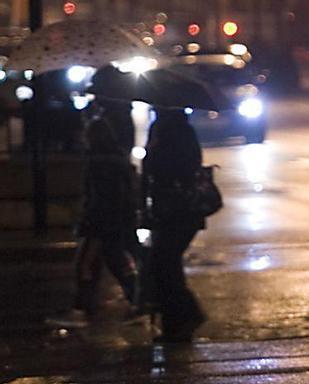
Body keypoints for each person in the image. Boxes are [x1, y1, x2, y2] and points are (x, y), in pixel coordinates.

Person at [45, 117, 139, 329]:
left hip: (100, 222)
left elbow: (99, 197)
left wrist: (89, 220)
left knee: (85, 264)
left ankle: (83, 308)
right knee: (114, 262)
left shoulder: (99, 162)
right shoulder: (116, 158)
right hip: (114, 221)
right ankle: (139, 301)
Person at [142, 110, 206, 343]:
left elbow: (174, 167)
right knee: (166, 264)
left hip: (178, 209)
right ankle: (176, 323)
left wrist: (153, 156)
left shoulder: (174, 131)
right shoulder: (170, 129)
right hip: (171, 209)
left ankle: (187, 315)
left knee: (164, 262)